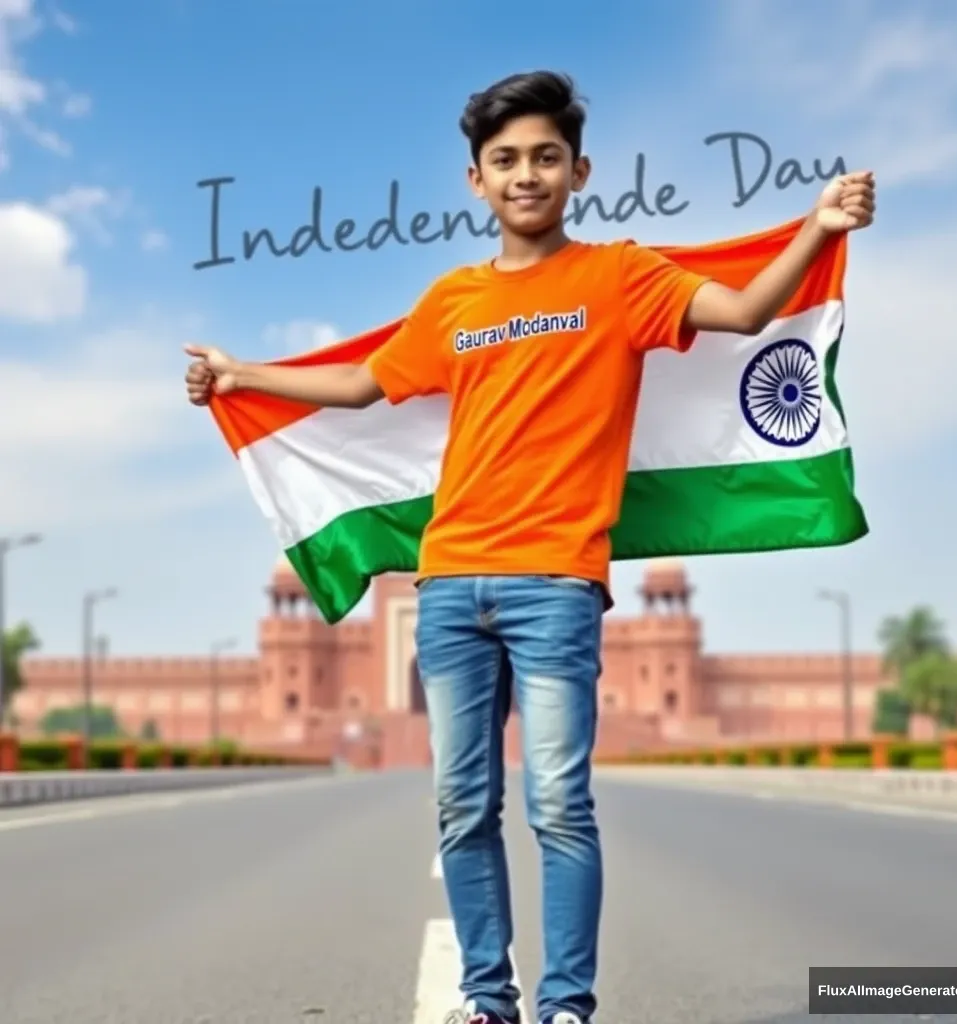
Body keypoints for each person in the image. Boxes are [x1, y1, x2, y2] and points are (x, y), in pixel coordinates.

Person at [184, 71, 875, 1024]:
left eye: (545, 156)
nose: (526, 174)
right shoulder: (454, 300)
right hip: (449, 579)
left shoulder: (621, 276)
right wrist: (239, 373)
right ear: (476, 180)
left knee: (558, 806)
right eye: (505, 160)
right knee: (463, 811)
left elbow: (749, 313)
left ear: (578, 170)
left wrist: (819, 228)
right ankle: (487, 1000)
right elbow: (357, 390)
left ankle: (565, 1005)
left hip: (556, 580)